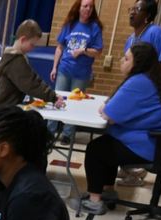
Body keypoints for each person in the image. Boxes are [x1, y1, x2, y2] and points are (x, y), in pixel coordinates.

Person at [81, 43, 161, 215]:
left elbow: (108, 114)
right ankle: (107, 192)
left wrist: (106, 109)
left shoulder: (139, 82)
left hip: (155, 144)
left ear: (138, 63)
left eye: (126, 58)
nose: (122, 60)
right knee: (107, 144)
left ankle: (94, 201)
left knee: (96, 150)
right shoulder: (153, 79)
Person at [120, 0, 161, 187]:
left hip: (153, 94)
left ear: (148, 15)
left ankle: (135, 170)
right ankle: (129, 167)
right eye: (131, 9)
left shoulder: (156, 33)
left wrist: (147, 91)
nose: (132, 12)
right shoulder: (131, 39)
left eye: (137, 9)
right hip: (136, 93)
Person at [49, 0, 104, 143]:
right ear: (79, 8)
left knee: (75, 103)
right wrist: (54, 67)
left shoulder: (94, 27)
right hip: (64, 68)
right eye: (85, 6)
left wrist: (84, 51)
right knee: (57, 98)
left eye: (91, 7)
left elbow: (98, 52)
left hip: (81, 73)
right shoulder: (70, 24)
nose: (88, 9)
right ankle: (50, 131)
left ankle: (68, 134)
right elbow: (60, 47)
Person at [0, 20, 61, 111]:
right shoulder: (16, 61)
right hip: (3, 110)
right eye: (32, 45)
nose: (32, 48)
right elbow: (31, 84)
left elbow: (32, 78)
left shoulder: (13, 57)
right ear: (23, 39)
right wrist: (53, 97)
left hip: (2, 107)